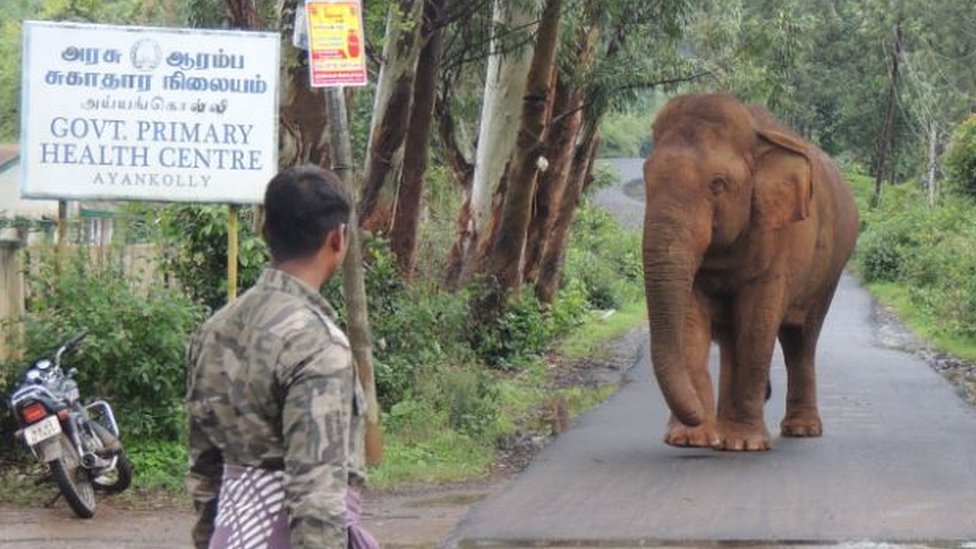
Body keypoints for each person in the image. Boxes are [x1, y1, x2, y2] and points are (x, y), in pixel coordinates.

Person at [186, 165, 379, 549]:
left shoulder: (214, 330)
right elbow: (316, 497)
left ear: (264, 230)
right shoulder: (316, 344)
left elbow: (206, 472)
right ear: (338, 239)